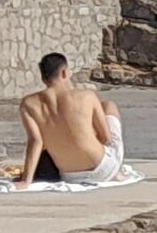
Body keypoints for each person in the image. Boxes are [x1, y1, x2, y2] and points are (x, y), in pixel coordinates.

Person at [14, 50, 124, 185]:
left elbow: (36, 141)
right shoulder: (87, 96)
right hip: (102, 169)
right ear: (64, 73)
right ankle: (116, 172)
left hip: (70, 175)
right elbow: (106, 138)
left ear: (43, 78)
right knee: (109, 106)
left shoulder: (28, 104)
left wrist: (26, 180)